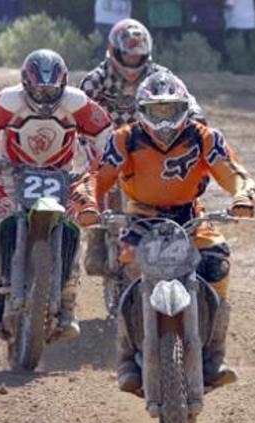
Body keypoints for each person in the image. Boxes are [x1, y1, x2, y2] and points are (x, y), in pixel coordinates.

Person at [75, 71, 255, 393]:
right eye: (155, 111)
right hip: (141, 218)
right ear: (141, 111)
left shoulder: (204, 137)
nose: (164, 121)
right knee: (129, 275)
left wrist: (242, 195)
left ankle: (214, 354)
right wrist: (88, 204)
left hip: (190, 215)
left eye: (170, 110)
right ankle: (127, 359)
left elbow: (234, 173)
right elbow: (95, 176)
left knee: (217, 261)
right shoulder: (125, 139)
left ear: (185, 108)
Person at [0, 49, 113, 339]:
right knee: (1, 226)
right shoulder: (8, 101)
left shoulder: (78, 103)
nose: (45, 97)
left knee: (73, 229)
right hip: (12, 175)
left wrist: (100, 165)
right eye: (39, 90)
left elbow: (105, 131)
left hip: (61, 176)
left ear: (62, 84)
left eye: (51, 90)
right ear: (25, 84)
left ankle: (68, 303)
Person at [80, 18, 204, 277]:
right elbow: (80, 114)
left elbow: (183, 97)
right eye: (127, 54)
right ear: (115, 51)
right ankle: (96, 236)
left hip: (147, 141)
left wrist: (197, 115)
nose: (132, 62)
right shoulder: (96, 80)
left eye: (138, 55)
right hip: (105, 141)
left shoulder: (160, 75)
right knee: (99, 183)